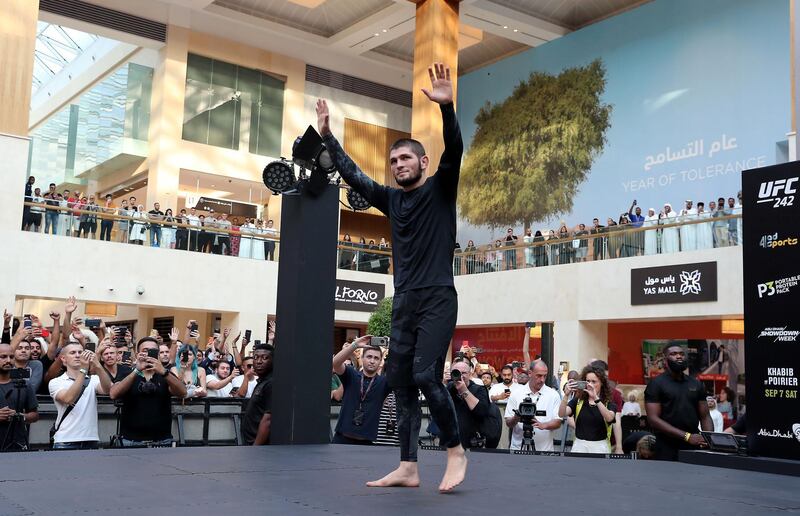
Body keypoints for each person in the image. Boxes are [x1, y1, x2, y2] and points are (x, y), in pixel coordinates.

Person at [316, 62, 466, 492]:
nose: (399, 164)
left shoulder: (440, 188)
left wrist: (447, 107)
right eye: (394, 160)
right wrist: (327, 135)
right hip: (403, 301)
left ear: (422, 161)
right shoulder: (390, 200)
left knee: (424, 376)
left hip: (438, 295)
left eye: (406, 158)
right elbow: (353, 175)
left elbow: (454, 148)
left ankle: (456, 451)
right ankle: (408, 466)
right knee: (399, 381)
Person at [109, 337, 186, 446]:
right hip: (131, 441)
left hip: (162, 441)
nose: (149, 354)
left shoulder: (166, 375)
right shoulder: (127, 373)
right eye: (145, 351)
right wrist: (137, 370)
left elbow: (183, 392)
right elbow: (113, 394)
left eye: (153, 351)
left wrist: (163, 372)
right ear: (137, 354)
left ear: (158, 354)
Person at [645, 344, 713, 460]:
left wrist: (708, 438)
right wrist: (687, 436)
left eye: (681, 354)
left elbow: (705, 416)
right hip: (666, 445)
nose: (679, 357)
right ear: (665, 359)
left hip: (693, 444)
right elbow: (653, 419)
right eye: (673, 354)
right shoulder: (656, 384)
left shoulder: (695, 384)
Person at [48, 342, 113, 449]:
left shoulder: (93, 379)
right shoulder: (56, 382)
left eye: (80, 352)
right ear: (63, 359)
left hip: (90, 439)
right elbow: (68, 398)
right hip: (65, 440)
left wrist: (98, 365)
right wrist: (83, 370)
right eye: (73, 353)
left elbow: (108, 389)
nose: (78, 355)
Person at [332, 337, 391, 445]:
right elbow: (335, 363)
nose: (372, 361)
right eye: (369, 357)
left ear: (380, 361)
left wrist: (396, 347)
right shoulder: (351, 374)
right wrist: (355, 345)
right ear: (362, 358)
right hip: (342, 439)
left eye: (376, 358)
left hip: (366, 443)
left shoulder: (384, 382)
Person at [504, 360, 562, 451]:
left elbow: (558, 422)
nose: (542, 380)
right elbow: (508, 423)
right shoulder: (516, 394)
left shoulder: (553, 395)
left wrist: (543, 425)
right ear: (530, 373)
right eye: (538, 376)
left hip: (544, 451)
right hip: (518, 449)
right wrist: (516, 417)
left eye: (545, 376)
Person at [559, 365, 617, 453]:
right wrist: (566, 395)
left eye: (594, 382)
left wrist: (596, 398)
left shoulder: (608, 403)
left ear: (601, 383)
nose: (590, 385)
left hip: (599, 447)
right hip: (579, 446)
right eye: (588, 381)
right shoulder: (579, 400)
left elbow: (610, 418)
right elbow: (562, 414)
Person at [0, 343, 39, 451]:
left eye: (11, 357)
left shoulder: (25, 385)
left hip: (18, 443)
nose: (8, 360)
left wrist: (20, 416)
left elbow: (35, 415)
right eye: (3, 357)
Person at [240, 344, 274, 445]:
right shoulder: (262, 382)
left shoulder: (271, 383)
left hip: (259, 449)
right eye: (256, 358)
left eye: (265, 358)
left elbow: (268, 420)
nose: (259, 362)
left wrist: (256, 448)